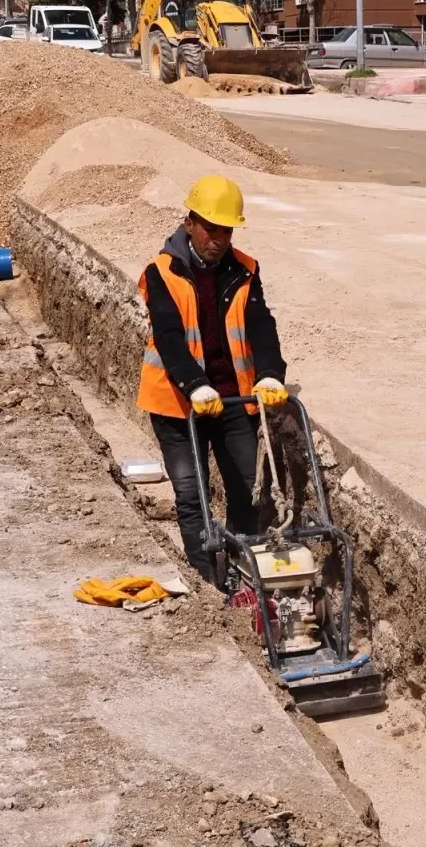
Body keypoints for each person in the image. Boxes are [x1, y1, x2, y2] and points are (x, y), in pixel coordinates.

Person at [136, 175, 289, 588]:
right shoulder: (161, 273)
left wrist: (271, 372)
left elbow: (260, 324)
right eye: (210, 228)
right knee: (192, 494)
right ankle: (207, 581)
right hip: (177, 404)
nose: (218, 238)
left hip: (232, 400)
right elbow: (168, 335)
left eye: (226, 229)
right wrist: (194, 383)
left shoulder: (244, 270)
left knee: (244, 489)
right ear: (190, 223)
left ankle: (244, 577)